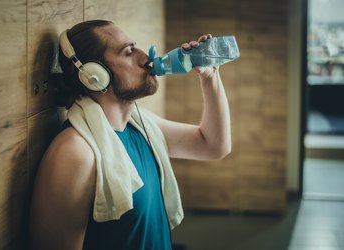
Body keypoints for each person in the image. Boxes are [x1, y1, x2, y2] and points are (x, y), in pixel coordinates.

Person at [28, 20, 231, 250]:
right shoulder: (75, 153)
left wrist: (209, 76)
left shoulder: (142, 126)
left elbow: (213, 145)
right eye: (128, 52)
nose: (146, 57)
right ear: (94, 75)